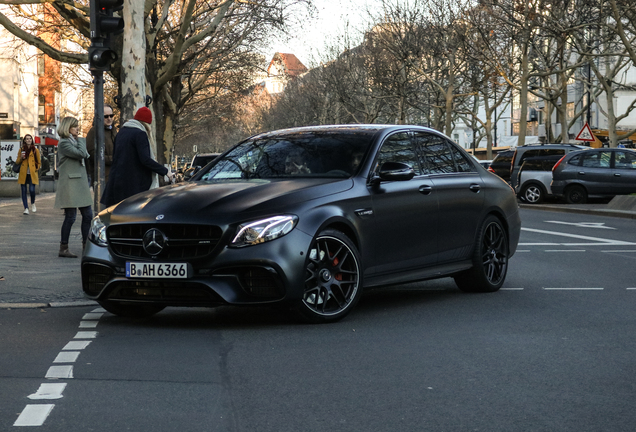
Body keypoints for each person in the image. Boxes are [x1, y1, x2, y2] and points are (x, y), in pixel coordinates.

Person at [101, 106, 174, 207]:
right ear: (146, 123)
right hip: (133, 185)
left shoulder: (121, 132)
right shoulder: (140, 134)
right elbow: (145, 159)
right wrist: (165, 171)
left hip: (117, 183)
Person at [54, 117, 93, 258]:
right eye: (75, 126)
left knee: (88, 215)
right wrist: (81, 140)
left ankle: (86, 246)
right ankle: (63, 248)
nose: (77, 129)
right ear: (67, 128)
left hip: (79, 184)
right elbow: (82, 154)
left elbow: (86, 155)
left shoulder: (73, 142)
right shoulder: (64, 143)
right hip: (70, 184)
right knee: (70, 217)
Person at [86, 103, 118, 186]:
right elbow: (93, 154)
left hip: (115, 174)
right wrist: (114, 159)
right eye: (106, 116)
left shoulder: (113, 130)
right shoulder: (94, 131)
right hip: (102, 177)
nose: (109, 118)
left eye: (111, 116)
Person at [15, 134, 41, 215]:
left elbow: (39, 162)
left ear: (32, 140)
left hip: (32, 173)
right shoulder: (21, 149)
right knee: (23, 191)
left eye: (30, 139)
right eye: (27, 139)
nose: (28, 140)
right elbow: (17, 161)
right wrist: (21, 158)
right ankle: (26, 208)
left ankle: (33, 203)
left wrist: (36, 168)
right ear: (25, 140)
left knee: (32, 190)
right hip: (24, 173)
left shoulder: (35, 150)